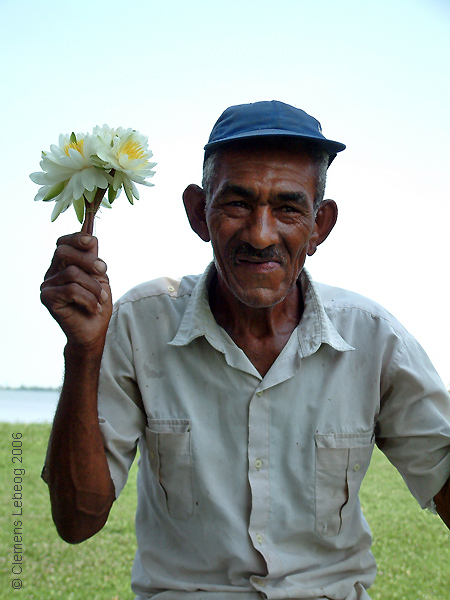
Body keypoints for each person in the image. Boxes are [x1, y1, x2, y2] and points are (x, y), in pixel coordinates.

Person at [41, 100, 450, 600]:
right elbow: (76, 520)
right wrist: (82, 351)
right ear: (198, 213)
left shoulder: (373, 339)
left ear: (320, 225)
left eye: (288, 208)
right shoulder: (138, 324)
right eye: (236, 204)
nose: (260, 234)